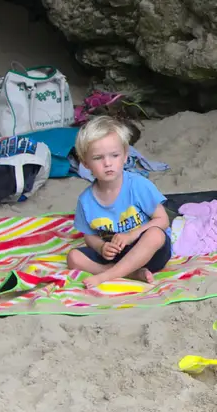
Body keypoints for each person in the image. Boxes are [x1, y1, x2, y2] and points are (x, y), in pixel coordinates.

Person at [66, 115, 172, 292]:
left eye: (114, 155)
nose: (108, 163)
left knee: (156, 234)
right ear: (85, 163)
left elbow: (162, 220)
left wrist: (131, 235)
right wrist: (101, 247)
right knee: (73, 257)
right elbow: (89, 235)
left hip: (148, 252)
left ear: (125, 156)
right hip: (115, 254)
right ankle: (129, 273)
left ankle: (107, 275)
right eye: (98, 158)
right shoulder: (85, 200)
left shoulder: (138, 185)